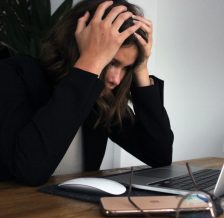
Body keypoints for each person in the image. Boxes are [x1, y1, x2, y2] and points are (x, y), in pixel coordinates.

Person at [0, 0, 173, 186]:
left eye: (127, 68)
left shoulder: (99, 98)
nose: (116, 79)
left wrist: (141, 69)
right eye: (111, 62)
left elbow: (159, 155)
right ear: (77, 44)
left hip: (76, 213)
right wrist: (91, 61)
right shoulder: (14, 74)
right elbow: (28, 170)